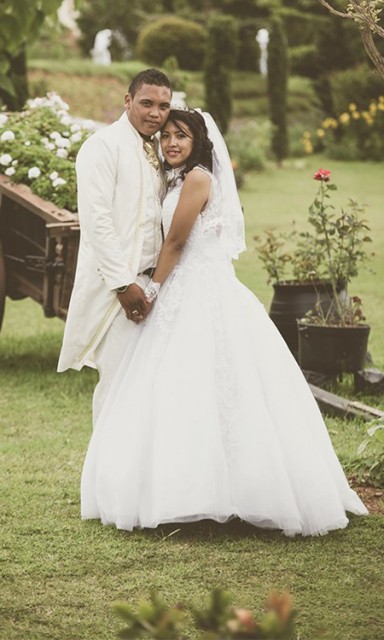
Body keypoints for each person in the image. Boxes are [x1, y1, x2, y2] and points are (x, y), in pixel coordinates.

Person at [80, 109, 368, 535]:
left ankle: (235, 494)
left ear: (198, 140)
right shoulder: (177, 179)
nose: (172, 143)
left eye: (181, 135)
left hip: (201, 290)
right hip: (184, 288)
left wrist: (152, 291)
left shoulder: (197, 179)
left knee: (224, 388)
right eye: (166, 137)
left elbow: (176, 243)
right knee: (182, 390)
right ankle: (188, 491)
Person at [58, 69, 171, 424]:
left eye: (164, 106)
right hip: (119, 286)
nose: (156, 113)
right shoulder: (102, 147)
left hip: (157, 286)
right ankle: (105, 475)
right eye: (147, 103)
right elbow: (97, 222)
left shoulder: (162, 149)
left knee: (151, 387)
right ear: (127, 101)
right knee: (117, 382)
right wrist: (124, 284)